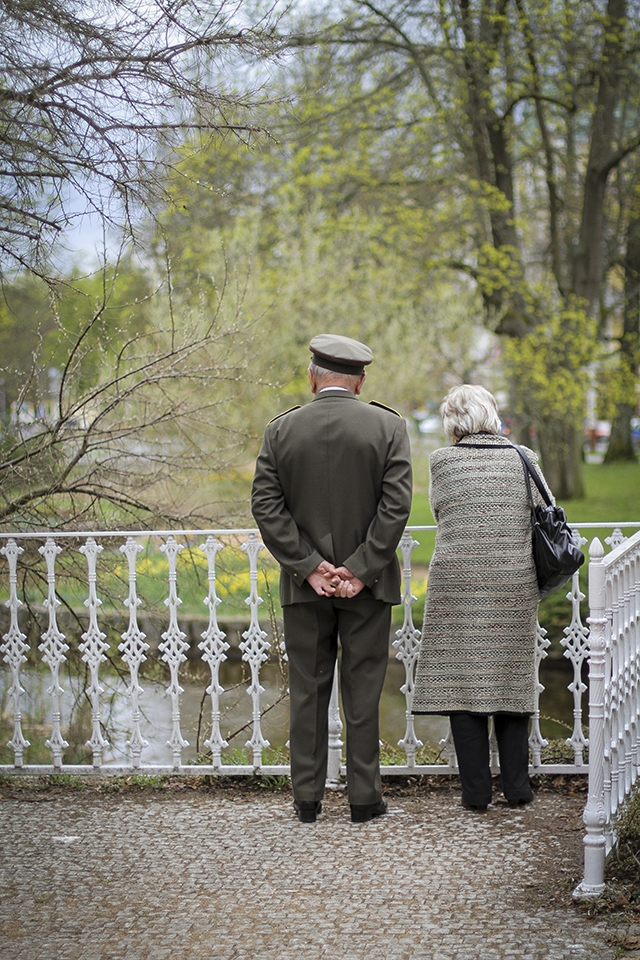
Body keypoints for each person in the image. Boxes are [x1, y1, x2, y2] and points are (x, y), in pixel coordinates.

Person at [251, 334, 412, 824]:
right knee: (363, 691)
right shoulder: (388, 427)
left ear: (312, 375)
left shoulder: (281, 431)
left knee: (307, 690)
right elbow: (396, 505)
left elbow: (265, 505)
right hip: (369, 587)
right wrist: (360, 570)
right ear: (360, 380)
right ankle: (364, 799)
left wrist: (310, 566)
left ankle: (307, 799)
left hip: (306, 587)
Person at [412, 384, 552, 811]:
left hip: (456, 585)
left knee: (462, 686)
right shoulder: (523, 459)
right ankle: (517, 789)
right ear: (492, 415)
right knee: (511, 685)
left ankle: (475, 793)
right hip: (512, 583)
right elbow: (543, 509)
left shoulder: (442, 462)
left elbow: (440, 511)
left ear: (452, 423)